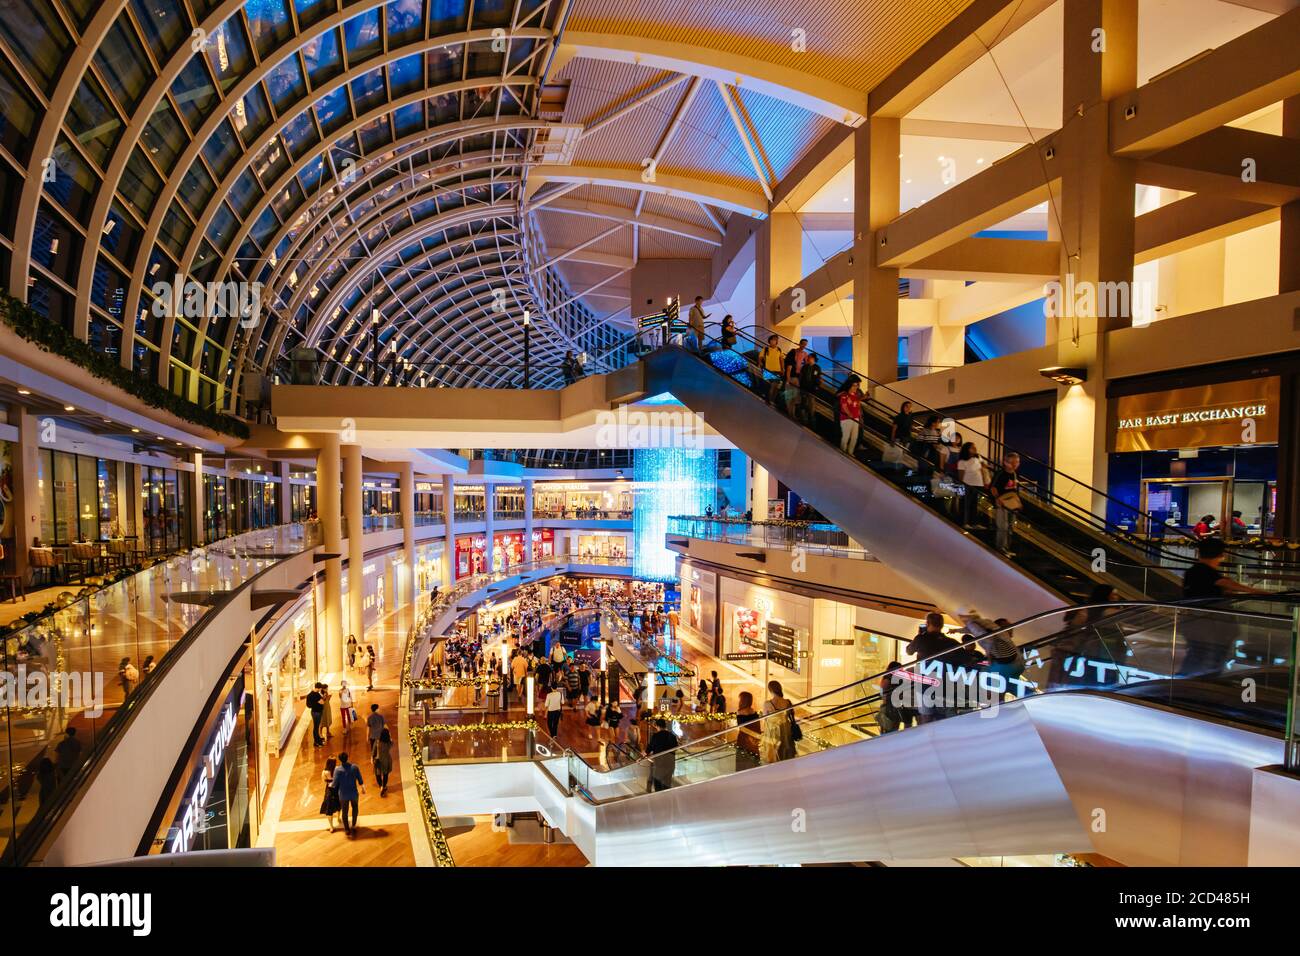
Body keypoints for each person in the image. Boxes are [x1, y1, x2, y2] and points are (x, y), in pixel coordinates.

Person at [989, 451, 1023, 555]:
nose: (1015, 464)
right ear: (1005, 462)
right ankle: (1000, 547)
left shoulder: (1014, 474)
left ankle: (1007, 547)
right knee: (1002, 526)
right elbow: (993, 488)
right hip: (1002, 503)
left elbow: (1014, 490)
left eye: (1017, 462)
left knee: (1010, 526)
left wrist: (1018, 502)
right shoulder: (1000, 473)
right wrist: (997, 498)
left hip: (1011, 503)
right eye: (1012, 462)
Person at [761, 680, 796, 763]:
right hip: (785, 729)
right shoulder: (787, 702)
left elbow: (765, 718)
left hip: (772, 730)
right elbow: (790, 715)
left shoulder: (767, 704)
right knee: (785, 747)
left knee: (772, 749)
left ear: (770, 690)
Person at [332, 752, 366, 836]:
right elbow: (360, 780)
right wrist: (363, 788)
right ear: (348, 758)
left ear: (340, 760)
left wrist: (330, 784)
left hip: (343, 795)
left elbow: (335, 784)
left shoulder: (337, 770)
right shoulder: (354, 767)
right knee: (355, 808)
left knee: (344, 812)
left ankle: (346, 829)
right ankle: (353, 825)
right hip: (353, 793)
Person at [956, 442, 988, 527]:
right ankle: (964, 522)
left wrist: (985, 481)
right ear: (967, 449)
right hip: (967, 484)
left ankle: (974, 523)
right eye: (972, 448)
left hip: (978, 484)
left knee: (975, 505)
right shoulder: (962, 461)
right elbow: (960, 475)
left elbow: (983, 469)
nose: (975, 449)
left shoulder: (978, 458)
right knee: (966, 504)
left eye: (975, 447)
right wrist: (961, 486)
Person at [645, 718, 679, 792]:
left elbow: (648, 749)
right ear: (665, 725)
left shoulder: (655, 736)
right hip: (670, 763)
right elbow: (676, 748)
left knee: (658, 784)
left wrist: (644, 754)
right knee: (667, 783)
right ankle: (667, 799)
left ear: (657, 726)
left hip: (659, 763)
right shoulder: (672, 736)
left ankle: (660, 799)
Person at [734, 691, 761, 768]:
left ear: (743, 700)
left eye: (739, 699)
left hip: (743, 738)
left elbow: (740, 726)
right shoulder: (754, 712)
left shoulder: (740, 712)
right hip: (753, 739)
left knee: (742, 758)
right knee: (753, 758)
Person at [836, 377, 862, 454]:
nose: (856, 387)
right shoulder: (844, 394)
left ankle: (850, 452)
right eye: (854, 385)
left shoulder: (855, 395)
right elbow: (844, 405)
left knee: (854, 437)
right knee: (846, 436)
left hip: (855, 418)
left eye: (857, 385)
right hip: (846, 419)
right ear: (849, 386)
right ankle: (843, 451)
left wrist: (859, 416)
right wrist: (849, 414)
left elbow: (858, 406)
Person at [797, 352, 822, 425]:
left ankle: (811, 417)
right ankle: (804, 418)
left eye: (809, 357)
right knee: (803, 401)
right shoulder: (805, 366)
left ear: (813, 358)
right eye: (808, 357)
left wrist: (817, 386)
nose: (808, 358)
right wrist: (800, 385)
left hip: (812, 388)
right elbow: (801, 376)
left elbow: (818, 378)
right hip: (804, 387)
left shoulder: (817, 367)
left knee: (811, 402)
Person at [759, 334, 784, 404]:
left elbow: (781, 360)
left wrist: (783, 369)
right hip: (768, 370)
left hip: (777, 371)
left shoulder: (779, 350)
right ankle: (768, 400)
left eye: (775, 340)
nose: (774, 341)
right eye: (772, 340)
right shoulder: (765, 349)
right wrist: (760, 363)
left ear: (777, 341)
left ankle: (772, 400)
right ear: (769, 341)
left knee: (775, 387)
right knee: (768, 387)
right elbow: (760, 357)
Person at [320, 756, 341, 832]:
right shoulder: (337, 769)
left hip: (329, 790)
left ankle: (331, 826)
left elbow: (324, 781)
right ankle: (338, 817)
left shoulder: (324, 772)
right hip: (337, 789)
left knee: (329, 808)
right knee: (339, 804)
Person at [373, 728, 393, 796]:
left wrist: (372, 758)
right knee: (385, 774)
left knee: (378, 774)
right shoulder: (389, 743)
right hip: (386, 760)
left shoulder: (377, 742)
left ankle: (381, 785)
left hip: (378, 760)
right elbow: (392, 743)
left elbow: (373, 751)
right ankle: (384, 786)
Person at [306, 683, 325, 747]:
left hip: (313, 712)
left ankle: (318, 739)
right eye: (320, 688)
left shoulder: (309, 695)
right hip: (317, 712)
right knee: (316, 728)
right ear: (319, 688)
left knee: (316, 727)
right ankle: (316, 742)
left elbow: (308, 705)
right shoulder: (316, 695)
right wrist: (318, 702)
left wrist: (314, 704)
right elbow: (322, 702)